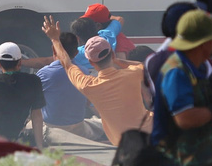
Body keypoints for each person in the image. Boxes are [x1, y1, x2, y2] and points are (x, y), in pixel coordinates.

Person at [42, 16, 152, 147]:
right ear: (112, 54)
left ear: (90, 62)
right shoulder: (133, 73)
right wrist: (116, 60)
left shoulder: (88, 85)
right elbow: (143, 65)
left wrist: (55, 39)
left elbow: (66, 63)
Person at [151, 9, 212, 166]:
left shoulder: (196, 68)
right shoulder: (177, 72)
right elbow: (185, 118)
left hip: (199, 165)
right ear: (204, 44)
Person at [34, 31, 105, 141]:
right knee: (98, 123)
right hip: (79, 130)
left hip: (49, 130)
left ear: (54, 49)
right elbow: (88, 102)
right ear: (76, 53)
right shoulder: (84, 72)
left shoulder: (43, 74)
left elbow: (34, 105)